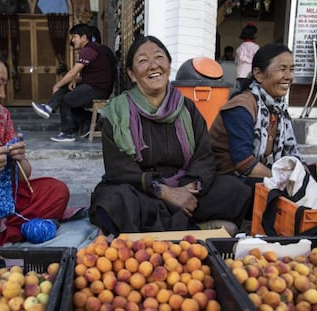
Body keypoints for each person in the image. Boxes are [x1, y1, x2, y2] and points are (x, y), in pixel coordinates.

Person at [88, 35, 252, 236]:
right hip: (140, 189)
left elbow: (204, 156)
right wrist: (163, 191)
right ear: (131, 74)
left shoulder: (187, 108)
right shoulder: (116, 112)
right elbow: (118, 169)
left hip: (186, 187)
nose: (153, 65)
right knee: (113, 201)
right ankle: (193, 230)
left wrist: (189, 188)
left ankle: (160, 230)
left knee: (235, 189)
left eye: (159, 57)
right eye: (142, 61)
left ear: (168, 64)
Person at [0, 42, 69, 245]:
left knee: (56, 191)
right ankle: (9, 231)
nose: (3, 95)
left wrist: (19, 158)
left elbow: (24, 177)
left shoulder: (1, 116)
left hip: (4, 202)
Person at [209, 43, 305, 217]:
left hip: (248, 177)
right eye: (282, 69)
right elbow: (244, 163)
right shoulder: (241, 107)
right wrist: (283, 179)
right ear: (259, 74)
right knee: (279, 191)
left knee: (306, 178)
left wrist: (300, 175)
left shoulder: (277, 109)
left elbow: (291, 156)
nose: (289, 76)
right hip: (226, 180)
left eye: (292, 69)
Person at [32, 23, 112, 142]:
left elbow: (72, 72)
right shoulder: (90, 50)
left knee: (66, 100)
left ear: (84, 37)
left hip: (96, 89)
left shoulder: (88, 50)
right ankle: (50, 107)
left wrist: (57, 85)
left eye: (74, 37)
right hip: (93, 87)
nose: (72, 40)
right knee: (68, 90)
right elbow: (88, 75)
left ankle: (66, 132)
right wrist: (74, 80)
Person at [235, 22, 259, 92]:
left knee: (240, 93)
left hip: (240, 74)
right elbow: (257, 61)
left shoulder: (240, 47)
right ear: (254, 34)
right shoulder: (256, 47)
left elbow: (236, 62)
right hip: (251, 75)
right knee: (250, 94)